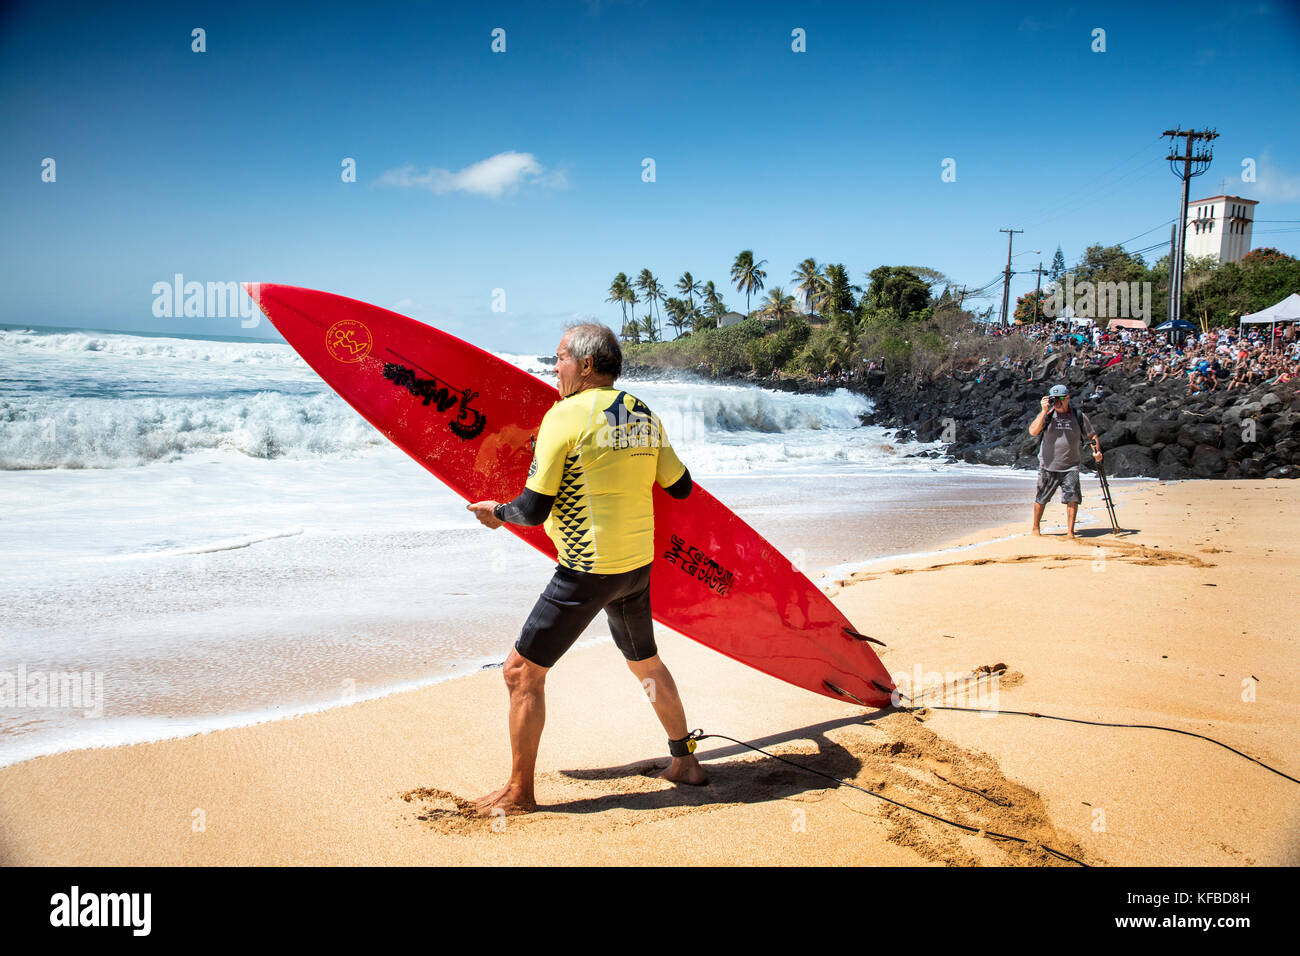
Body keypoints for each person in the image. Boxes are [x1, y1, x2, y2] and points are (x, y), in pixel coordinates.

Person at [466, 322, 707, 816]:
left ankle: (519, 793)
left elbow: (533, 510)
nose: (553, 367)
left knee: (520, 673)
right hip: (636, 568)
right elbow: (681, 488)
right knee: (646, 665)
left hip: (587, 571)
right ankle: (686, 761)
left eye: (559, 358)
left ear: (586, 364)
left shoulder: (563, 417)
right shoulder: (644, 413)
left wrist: (498, 514)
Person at [1028, 384, 1101, 539]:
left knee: (1072, 498)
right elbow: (1033, 431)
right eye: (1054, 399)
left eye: (1060, 399)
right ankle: (1035, 528)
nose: (1057, 402)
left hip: (1071, 465)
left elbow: (1092, 436)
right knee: (1041, 497)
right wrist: (1043, 411)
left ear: (1067, 398)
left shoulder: (1078, 416)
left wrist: (1097, 452)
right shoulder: (1047, 415)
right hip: (1048, 465)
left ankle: (1070, 532)